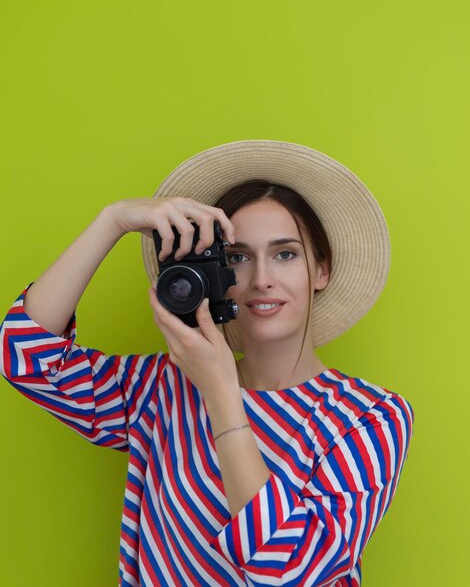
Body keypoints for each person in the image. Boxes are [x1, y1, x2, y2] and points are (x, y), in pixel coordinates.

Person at [0, 140, 414, 587]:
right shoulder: (165, 387)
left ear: (322, 270)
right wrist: (113, 220)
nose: (261, 279)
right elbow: (25, 354)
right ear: (216, 274)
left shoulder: (369, 418)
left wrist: (221, 394)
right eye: (237, 257)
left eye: (286, 254)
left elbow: (287, 571)